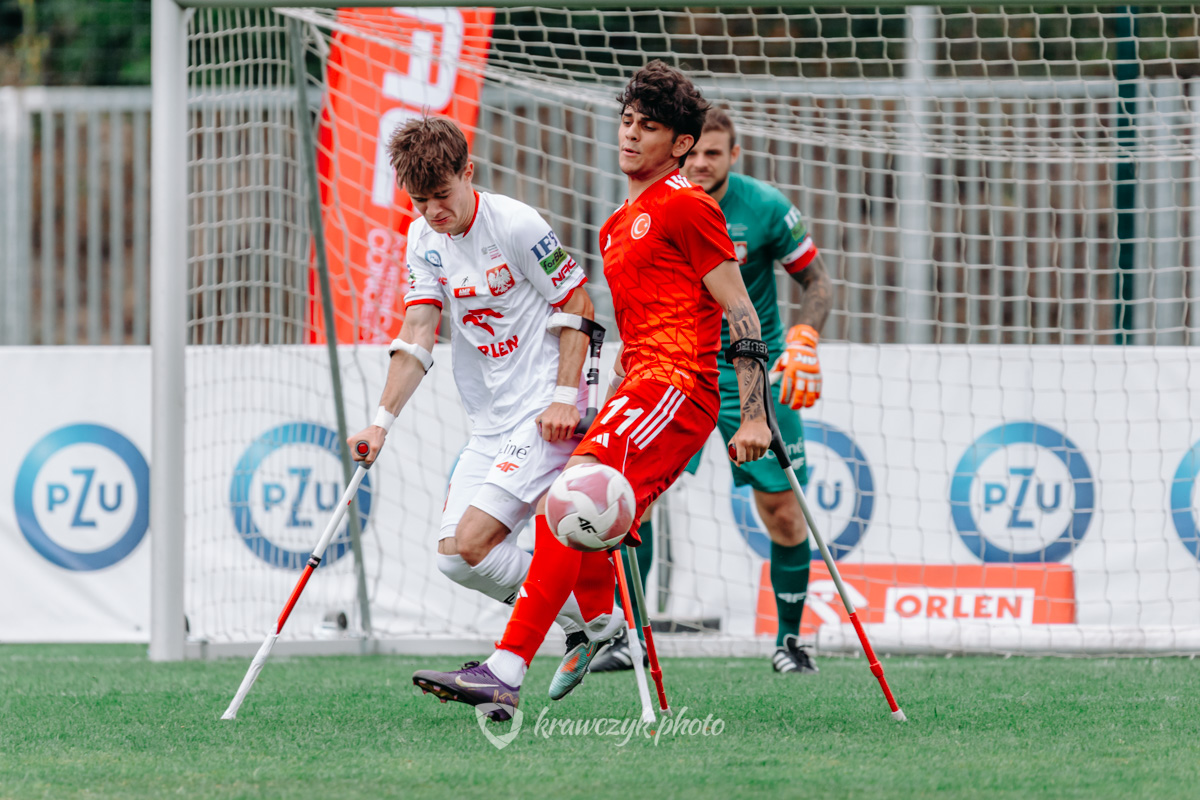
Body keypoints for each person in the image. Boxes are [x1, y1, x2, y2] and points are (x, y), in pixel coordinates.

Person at [411, 61, 773, 718]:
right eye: (628, 121)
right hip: (639, 385)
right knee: (568, 507)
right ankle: (600, 626)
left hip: (678, 386)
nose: (631, 134)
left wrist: (754, 416)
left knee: (571, 496)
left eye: (649, 127)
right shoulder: (615, 224)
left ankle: (508, 667)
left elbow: (740, 311)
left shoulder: (689, 204)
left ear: (681, 144)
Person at [347, 116, 619, 660]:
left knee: (473, 542)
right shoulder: (423, 238)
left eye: (441, 195)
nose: (433, 211)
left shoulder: (517, 225)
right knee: (453, 558)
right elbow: (418, 331)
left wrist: (564, 399)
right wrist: (380, 424)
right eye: (420, 201)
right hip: (488, 422)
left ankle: (598, 625)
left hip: (542, 411)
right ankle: (598, 623)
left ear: (467, 172)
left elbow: (578, 303)